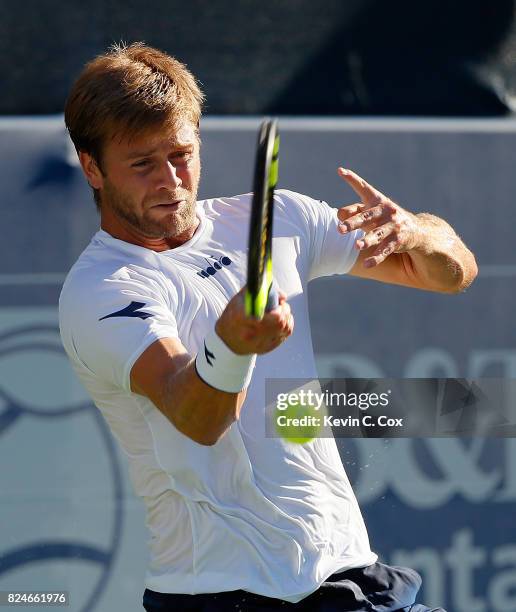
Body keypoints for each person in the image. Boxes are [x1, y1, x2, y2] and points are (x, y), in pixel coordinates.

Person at [59, 43, 477, 612]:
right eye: (142, 164)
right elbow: (194, 415)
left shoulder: (281, 218)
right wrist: (232, 346)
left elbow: (452, 276)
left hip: (350, 575)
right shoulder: (101, 290)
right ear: (93, 168)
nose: (170, 181)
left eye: (181, 154)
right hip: (222, 594)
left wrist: (418, 232)